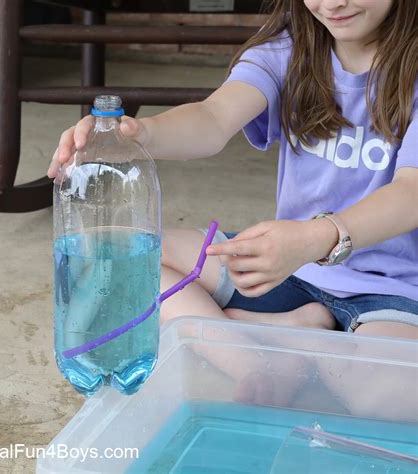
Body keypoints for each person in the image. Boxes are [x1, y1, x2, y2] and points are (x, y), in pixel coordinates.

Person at [48, 0, 417, 415]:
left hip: (392, 289)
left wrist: (317, 237)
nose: (332, 3)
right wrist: (138, 135)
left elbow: (411, 192)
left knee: (393, 399)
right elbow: (213, 117)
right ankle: (256, 358)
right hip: (288, 267)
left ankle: (292, 337)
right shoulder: (289, 50)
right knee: (110, 259)